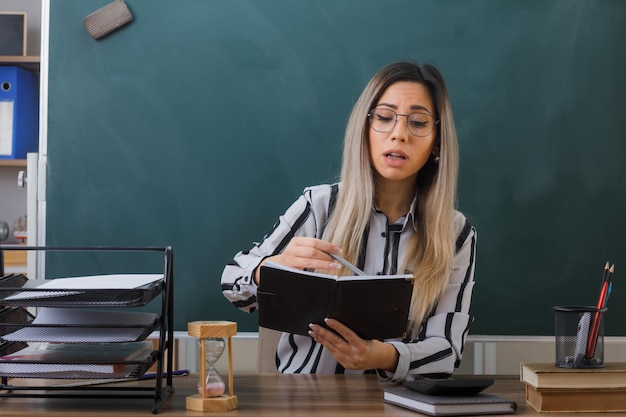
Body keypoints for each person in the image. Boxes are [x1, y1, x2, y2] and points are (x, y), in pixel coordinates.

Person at [221, 61, 476, 382]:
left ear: (437, 142)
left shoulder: (455, 233)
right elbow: (232, 283)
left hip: (399, 403)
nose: (398, 134)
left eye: (418, 122)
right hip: (303, 397)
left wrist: (379, 355)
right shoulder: (319, 205)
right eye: (384, 118)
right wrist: (272, 267)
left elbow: (447, 351)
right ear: (365, 128)